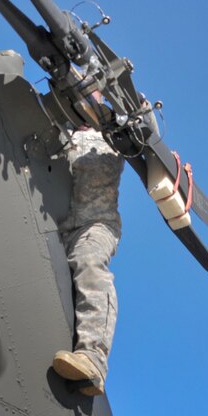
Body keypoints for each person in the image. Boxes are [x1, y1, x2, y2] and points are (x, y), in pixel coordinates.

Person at [51, 127, 125, 396]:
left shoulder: (113, 133)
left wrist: (139, 109)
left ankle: (93, 359)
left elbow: (146, 133)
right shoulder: (55, 130)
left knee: (89, 261)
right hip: (54, 227)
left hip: (95, 226)